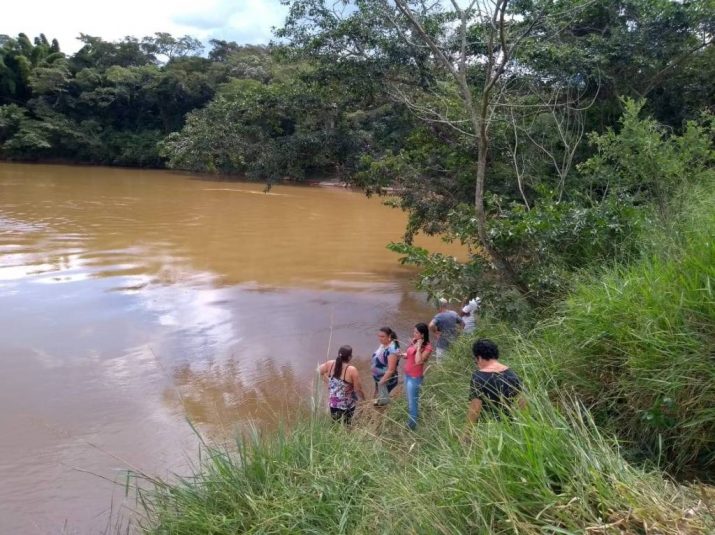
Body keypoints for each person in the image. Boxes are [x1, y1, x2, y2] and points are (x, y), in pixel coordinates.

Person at [466, 339, 523, 424]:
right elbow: (522, 402)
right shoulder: (511, 373)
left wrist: (467, 433)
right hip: (511, 426)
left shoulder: (478, 377)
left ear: (479, 358)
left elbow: (475, 409)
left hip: (490, 428)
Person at [318, 345, 365, 423]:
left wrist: (329, 382)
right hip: (348, 405)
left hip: (334, 403)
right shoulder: (352, 370)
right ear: (350, 357)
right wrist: (364, 400)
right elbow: (358, 389)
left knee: (335, 424)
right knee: (347, 423)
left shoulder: (330, 363)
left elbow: (318, 371)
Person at [401, 323, 433, 430]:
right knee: (409, 400)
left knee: (412, 403)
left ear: (422, 335)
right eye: (414, 331)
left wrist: (419, 347)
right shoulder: (414, 341)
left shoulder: (427, 347)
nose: (413, 334)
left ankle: (411, 426)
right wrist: (402, 355)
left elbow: (418, 361)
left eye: (416, 332)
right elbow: (409, 355)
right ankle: (412, 420)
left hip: (414, 378)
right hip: (407, 375)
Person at [371, 327, 400, 405]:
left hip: (386, 380)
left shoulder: (392, 350)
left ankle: (382, 413)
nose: (380, 338)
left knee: (382, 402)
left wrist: (381, 382)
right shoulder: (384, 344)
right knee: (376, 397)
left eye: (382, 336)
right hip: (379, 378)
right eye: (379, 336)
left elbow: (391, 370)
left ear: (389, 336)